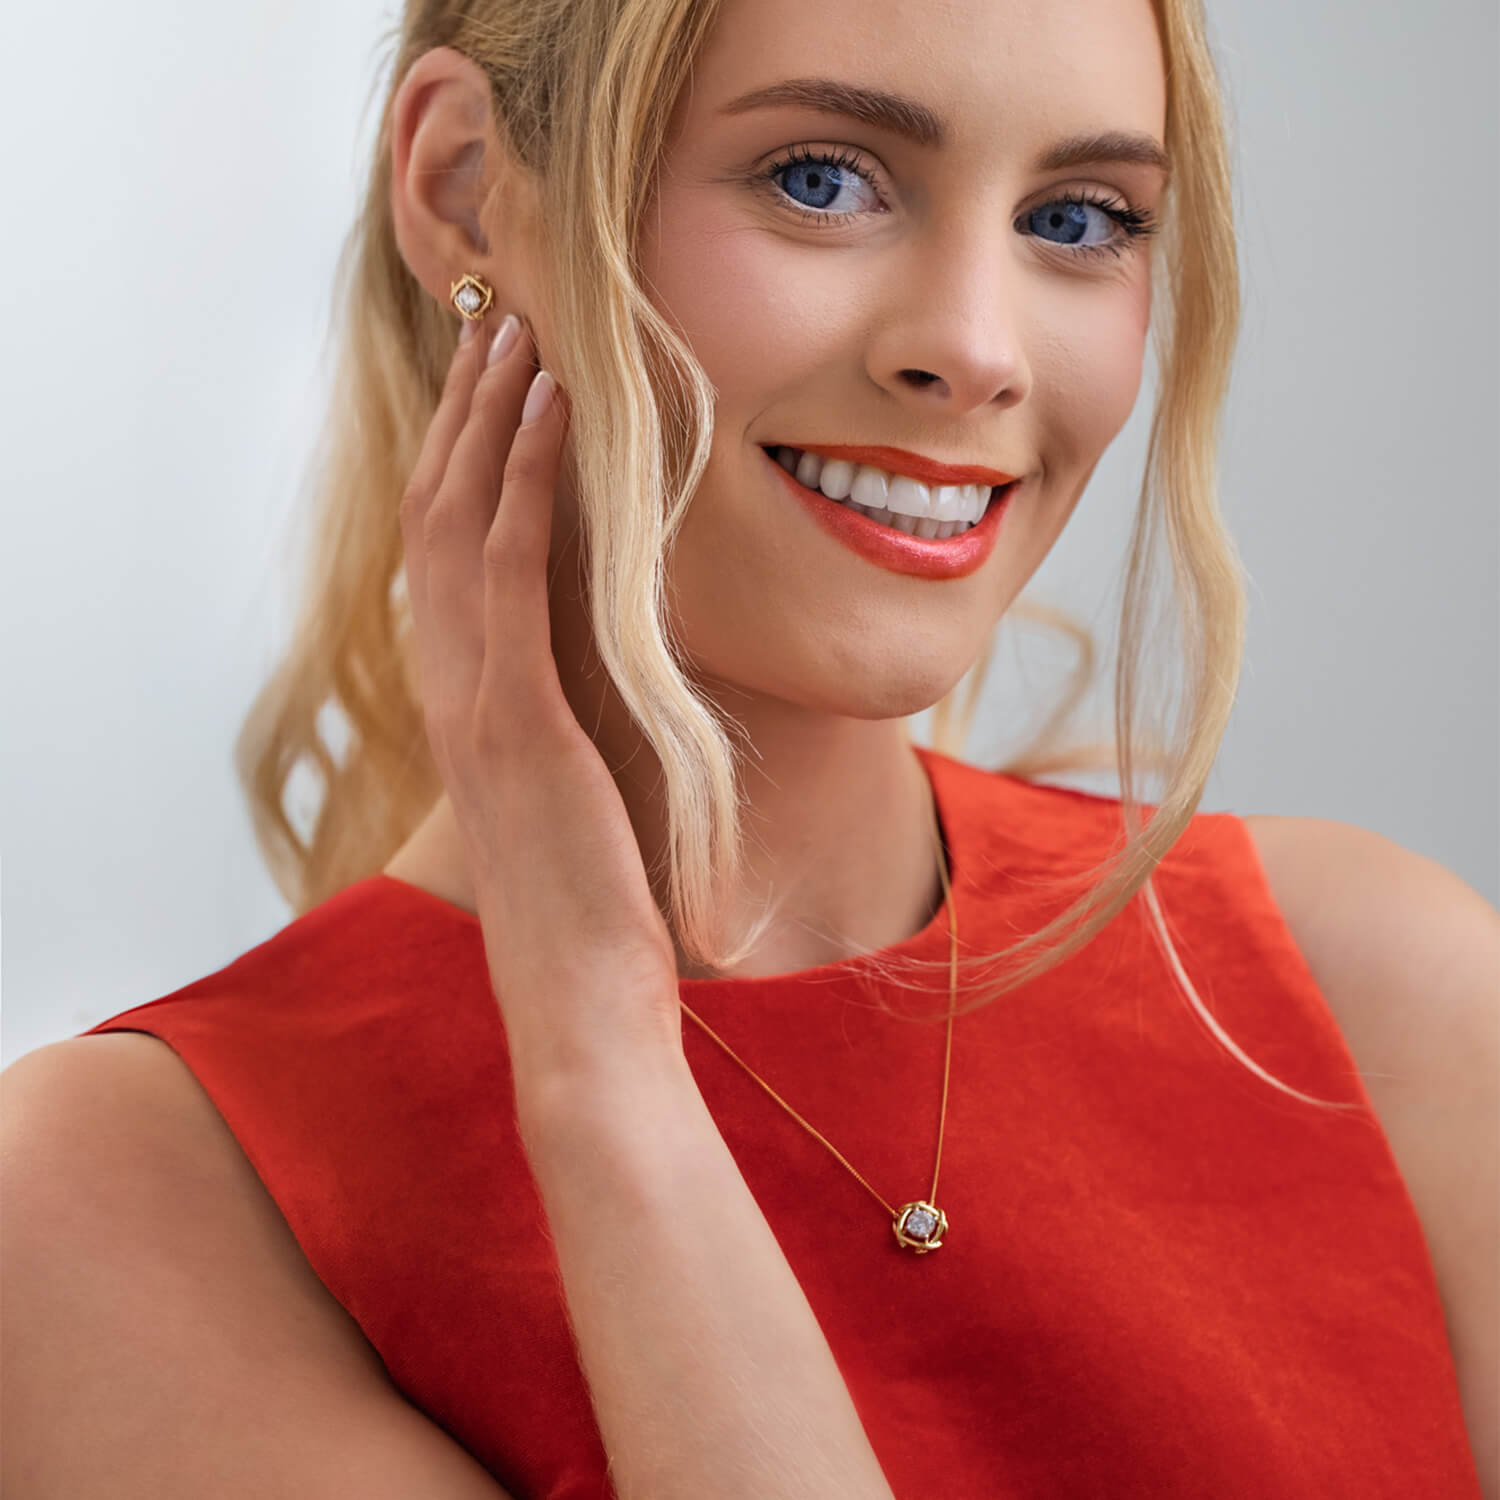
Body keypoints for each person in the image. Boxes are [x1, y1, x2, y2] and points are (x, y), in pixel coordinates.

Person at [3, 0, 1495, 1495]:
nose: (975, 351)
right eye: (821, 180)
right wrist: (603, 1073)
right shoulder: (127, 1202)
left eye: (1077, 218)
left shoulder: (1371, 997)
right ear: (466, 190)